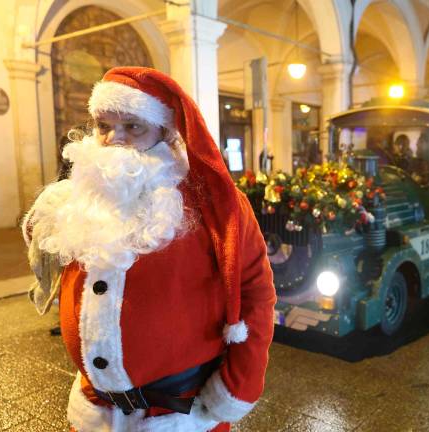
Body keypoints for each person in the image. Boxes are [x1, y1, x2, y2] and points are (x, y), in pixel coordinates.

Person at [22, 67, 276, 432]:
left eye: (133, 126)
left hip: (180, 416)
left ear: (166, 131)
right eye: (103, 126)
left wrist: (239, 385)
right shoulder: (81, 198)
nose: (114, 139)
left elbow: (256, 293)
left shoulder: (216, 203)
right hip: (94, 411)